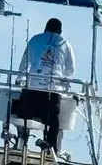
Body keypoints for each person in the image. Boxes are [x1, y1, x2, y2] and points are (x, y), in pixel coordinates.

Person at [14, 18, 75, 149]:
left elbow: (24, 63)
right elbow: (70, 70)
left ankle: (21, 142)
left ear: (45, 28)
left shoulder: (35, 40)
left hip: (32, 88)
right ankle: (50, 148)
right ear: (60, 31)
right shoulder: (66, 45)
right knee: (53, 120)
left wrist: (19, 79)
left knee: (24, 114)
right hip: (53, 91)